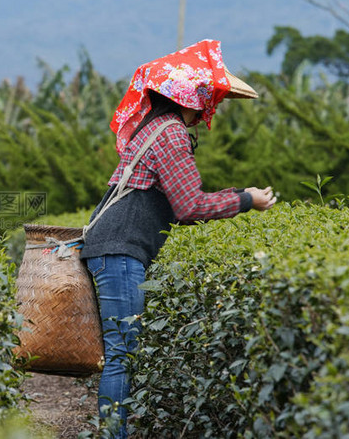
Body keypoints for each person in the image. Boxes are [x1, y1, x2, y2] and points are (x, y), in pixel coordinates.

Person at [78, 39, 277, 438]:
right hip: (120, 252)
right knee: (122, 354)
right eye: (211, 98)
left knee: (121, 351)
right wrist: (245, 199)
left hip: (113, 249)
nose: (211, 108)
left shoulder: (154, 127)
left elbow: (177, 207)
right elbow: (190, 206)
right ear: (194, 97)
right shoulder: (170, 134)